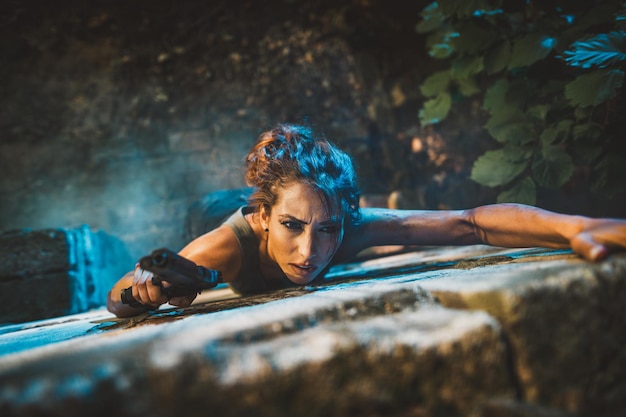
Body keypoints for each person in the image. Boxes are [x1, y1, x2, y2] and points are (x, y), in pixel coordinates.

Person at [107, 123, 626, 318]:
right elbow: (117, 296)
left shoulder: (345, 222)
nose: (310, 251)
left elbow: (471, 223)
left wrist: (571, 226)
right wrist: (141, 289)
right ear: (265, 216)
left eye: (327, 229)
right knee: (203, 212)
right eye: (292, 226)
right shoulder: (223, 248)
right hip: (215, 208)